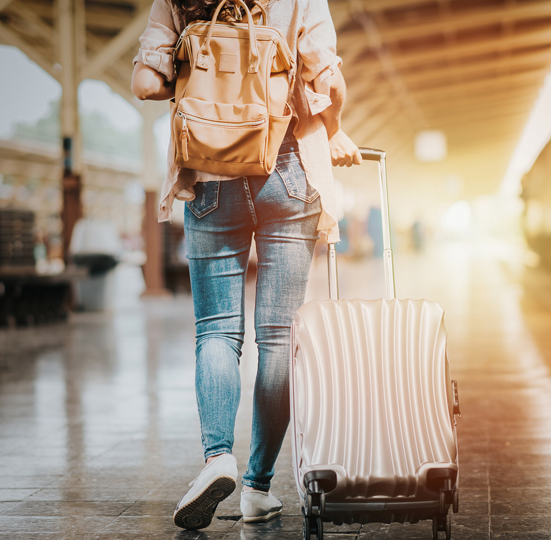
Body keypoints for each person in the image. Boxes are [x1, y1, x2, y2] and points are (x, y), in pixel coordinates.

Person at [130, 0, 361, 530]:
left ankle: (217, 459)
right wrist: (336, 127)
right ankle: (257, 487)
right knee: (278, 336)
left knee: (216, 331)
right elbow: (328, 81)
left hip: (211, 171)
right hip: (288, 166)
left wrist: (204, 77)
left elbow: (147, 83)